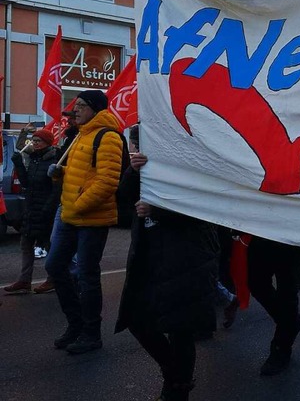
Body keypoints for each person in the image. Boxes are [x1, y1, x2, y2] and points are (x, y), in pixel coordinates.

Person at [115, 151, 219, 401]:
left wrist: (158, 211)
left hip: (187, 255)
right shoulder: (150, 159)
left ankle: (177, 390)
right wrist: (133, 170)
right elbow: (124, 196)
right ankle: (174, 375)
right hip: (150, 254)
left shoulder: (196, 157)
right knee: (137, 319)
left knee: (180, 327)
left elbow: (206, 204)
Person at [45, 90, 124, 354]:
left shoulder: (108, 137)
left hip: (90, 218)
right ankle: (75, 324)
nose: (74, 109)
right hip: (71, 214)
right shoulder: (82, 134)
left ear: (94, 108)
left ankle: (91, 333)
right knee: (55, 266)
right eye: (75, 105)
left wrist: (77, 206)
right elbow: (83, 173)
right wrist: (61, 173)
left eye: (80, 105)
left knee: (88, 275)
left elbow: (107, 182)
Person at [4, 129, 60, 295]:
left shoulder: (54, 160)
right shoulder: (35, 160)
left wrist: (47, 209)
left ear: (48, 143)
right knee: (26, 245)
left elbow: (56, 189)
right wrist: (18, 164)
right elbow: (26, 182)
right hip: (31, 209)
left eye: (38, 141)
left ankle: (52, 279)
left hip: (44, 212)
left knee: (49, 246)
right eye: (33, 140)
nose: (34, 143)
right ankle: (24, 280)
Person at [247, 236, 300, 376]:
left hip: (291, 238)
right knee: (256, 283)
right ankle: (290, 324)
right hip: (261, 234)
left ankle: (281, 348)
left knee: (287, 292)